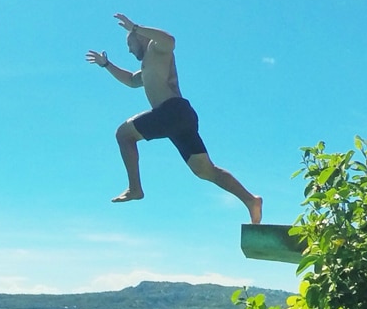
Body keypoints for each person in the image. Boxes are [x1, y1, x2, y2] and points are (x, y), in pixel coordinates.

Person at [86, 13, 262, 224]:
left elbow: (170, 40)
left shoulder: (156, 48)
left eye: (130, 45)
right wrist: (106, 65)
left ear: (139, 38)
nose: (130, 50)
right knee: (205, 171)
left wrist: (134, 28)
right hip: (178, 120)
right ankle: (251, 200)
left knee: (123, 134)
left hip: (173, 111)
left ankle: (135, 188)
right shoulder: (148, 66)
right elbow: (132, 81)